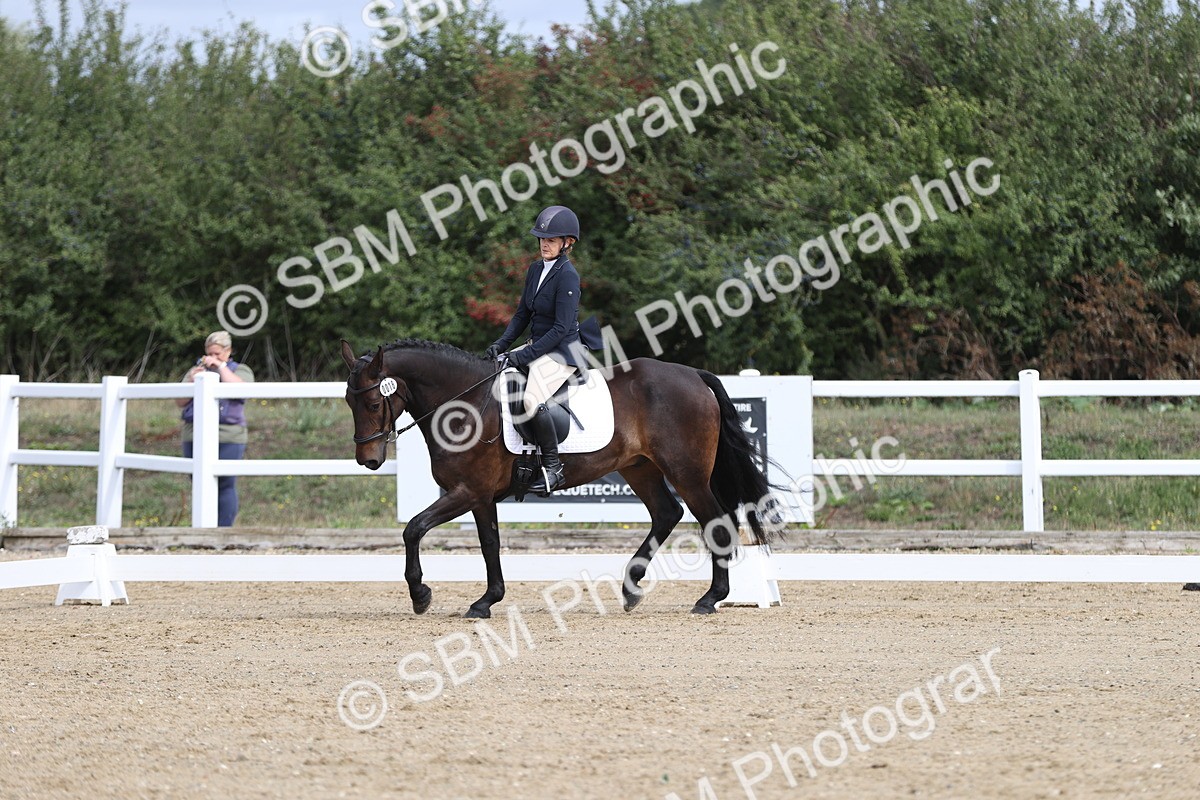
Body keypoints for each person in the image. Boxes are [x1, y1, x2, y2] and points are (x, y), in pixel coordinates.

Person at [484, 205, 590, 494]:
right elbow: (522, 315)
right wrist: (501, 344)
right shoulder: (535, 270)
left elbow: (560, 328)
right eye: (542, 239)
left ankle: (554, 469)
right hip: (539, 344)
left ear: (568, 242)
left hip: (563, 351)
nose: (544, 244)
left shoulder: (568, 276)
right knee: (493, 374)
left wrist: (523, 355)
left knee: (532, 400)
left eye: (551, 240)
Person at [175, 330, 254, 526]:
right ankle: (203, 526)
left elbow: (241, 391)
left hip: (228, 436)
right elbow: (180, 401)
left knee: (225, 483)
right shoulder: (196, 370)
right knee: (199, 483)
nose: (212, 358)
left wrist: (220, 367)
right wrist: (192, 380)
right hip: (194, 434)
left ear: (228, 351)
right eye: (209, 354)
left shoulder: (240, 370)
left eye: (217, 354)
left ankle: (223, 528)